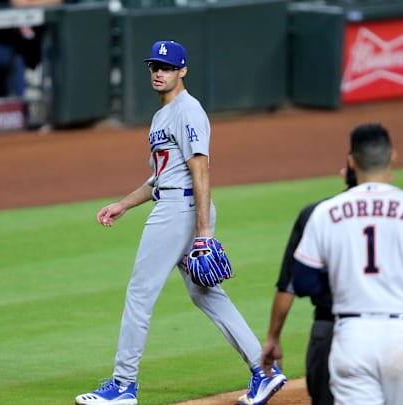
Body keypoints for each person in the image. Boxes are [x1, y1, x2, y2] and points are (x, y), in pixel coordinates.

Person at [74, 40, 286, 405]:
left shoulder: (188, 110)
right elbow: (161, 177)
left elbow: (200, 168)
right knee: (207, 295)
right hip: (175, 204)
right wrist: (124, 204)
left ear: (182, 71)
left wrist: (204, 233)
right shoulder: (162, 116)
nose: (159, 72)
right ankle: (264, 371)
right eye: (155, 66)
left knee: (140, 296)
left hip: (180, 212)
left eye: (167, 67)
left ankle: (124, 386)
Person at [260, 162, 403, 405]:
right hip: (399, 335)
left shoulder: (319, 214)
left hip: (333, 331)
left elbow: (291, 284)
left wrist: (273, 336)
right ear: (385, 174)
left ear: (346, 173)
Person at [292, 123, 403, 404]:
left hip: (352, 336)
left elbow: (303, 282)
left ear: (351, 162)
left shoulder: (326, 212)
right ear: (393, 156)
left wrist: (343, 275)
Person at [0, 0, 61, 98]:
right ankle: (19, 109)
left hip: (26, 45)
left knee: (1, 77)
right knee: (16, 62)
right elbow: (20, 3)